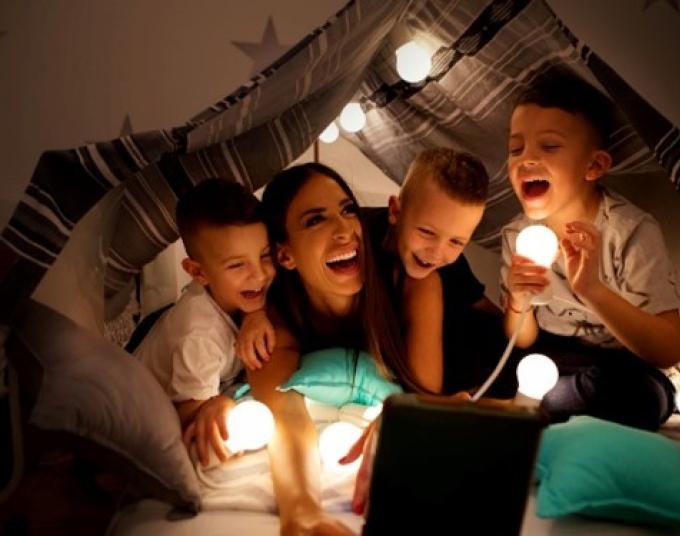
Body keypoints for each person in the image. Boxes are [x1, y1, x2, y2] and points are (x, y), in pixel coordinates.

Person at [247, 163, 419, 535]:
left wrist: (399, 418)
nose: (345, 231)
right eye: (315, 221)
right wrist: (302, 513)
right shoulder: (275, 322)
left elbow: (436, 395)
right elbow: (284, 413)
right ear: (285, 256)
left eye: (347, 210)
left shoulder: (410, 283)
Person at [501, 73, 680, 430]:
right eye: (515, 148)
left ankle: (533, 404)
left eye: (549, 146)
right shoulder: (517, 235)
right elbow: (520, 338)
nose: (526, 159)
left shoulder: (630, 231)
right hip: (554, 355)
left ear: (594, 165)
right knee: (514, 367)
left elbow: (669, 349)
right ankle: (537, 399)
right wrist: (518, 300)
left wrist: (591, 289)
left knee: (644, 396)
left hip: (623, 361)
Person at [135, 178, 275, 466]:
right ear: (198, 272)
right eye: (237, 265)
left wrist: (255, 313)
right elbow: (187, 415)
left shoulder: (239, 295)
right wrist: (222, 404)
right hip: (143, 423)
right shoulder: (200, 335)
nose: (259, 275)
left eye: (265, 256)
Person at [361, 148, 517, 397]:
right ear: (395, 211)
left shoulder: (451, 266)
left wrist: (515, 312)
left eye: (456, 242)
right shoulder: (361, 237)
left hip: (463, 359)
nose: (436, 252)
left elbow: (481, 306)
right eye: (426, 232)